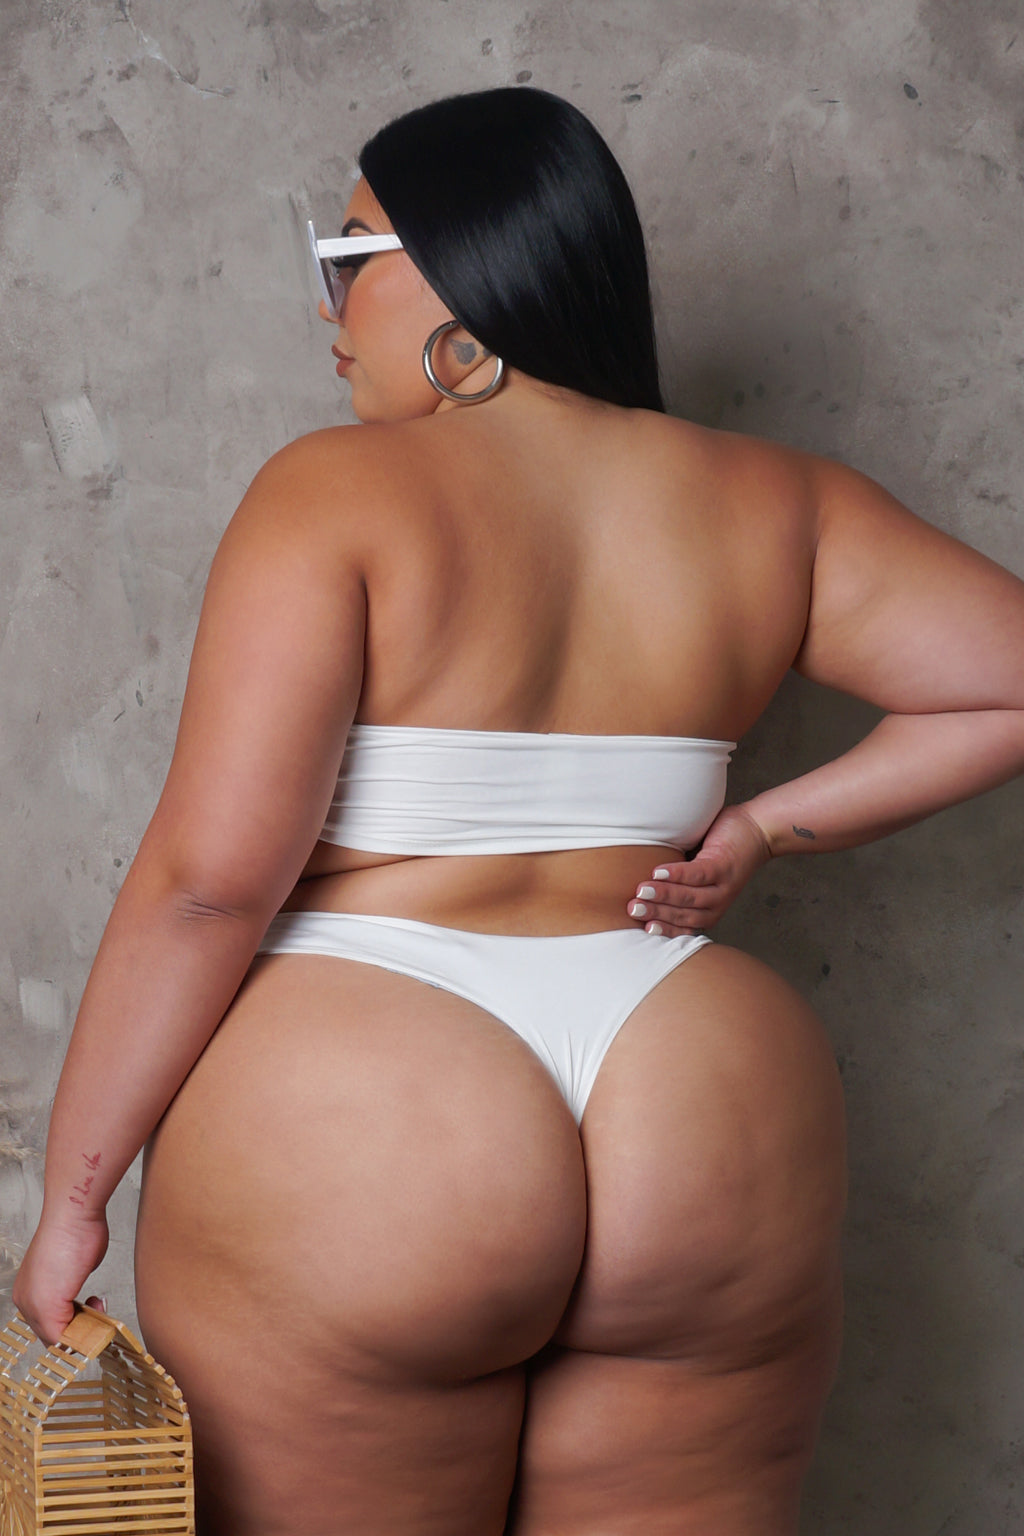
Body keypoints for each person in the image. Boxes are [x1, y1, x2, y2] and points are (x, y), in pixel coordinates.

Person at [13, 85, 1024, 1536]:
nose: (325, 309)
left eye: (347, 259)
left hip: (369, 1108)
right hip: (703, 1102)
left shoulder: (334, 492)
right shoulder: (773, 500)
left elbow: (209, 886)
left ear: (463, 272)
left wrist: (73, 1200)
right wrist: (760, 826)